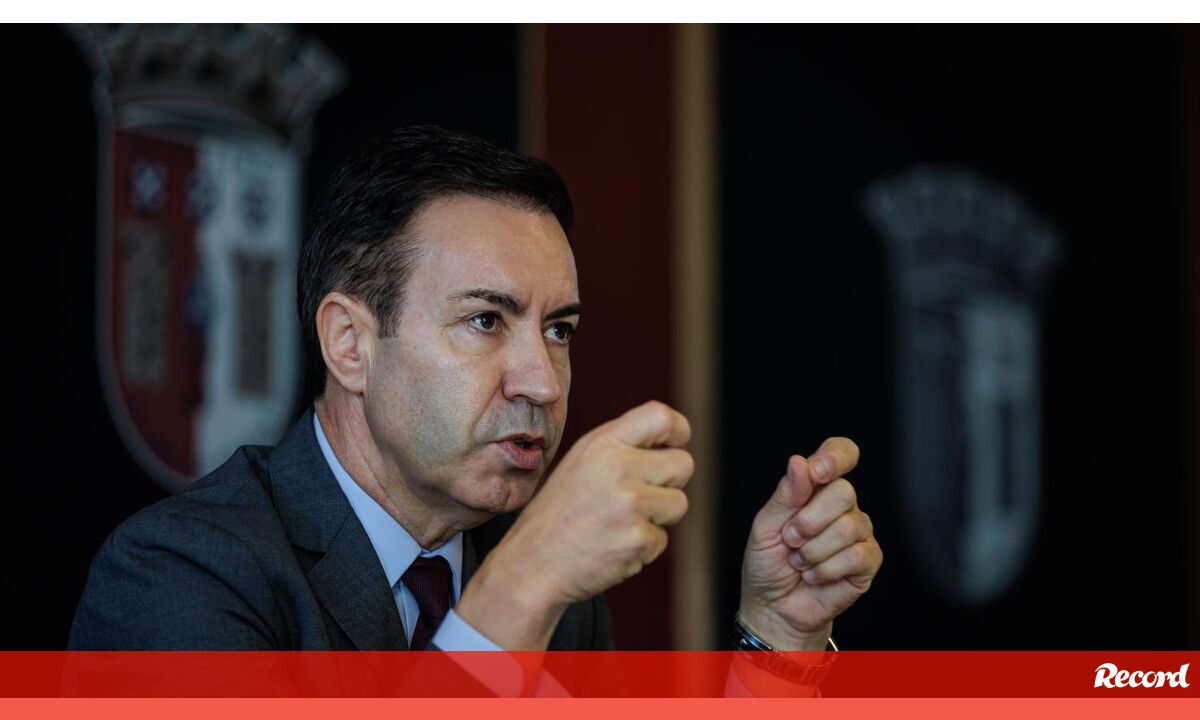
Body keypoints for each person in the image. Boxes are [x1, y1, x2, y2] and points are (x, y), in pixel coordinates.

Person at [70, 126, 882, 666]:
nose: (543, 381)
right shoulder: (177, 575)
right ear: (350, 344)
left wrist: (779, 640)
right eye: (486, 320)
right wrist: (521, 588)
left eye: (558, 329)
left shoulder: (554, 590)